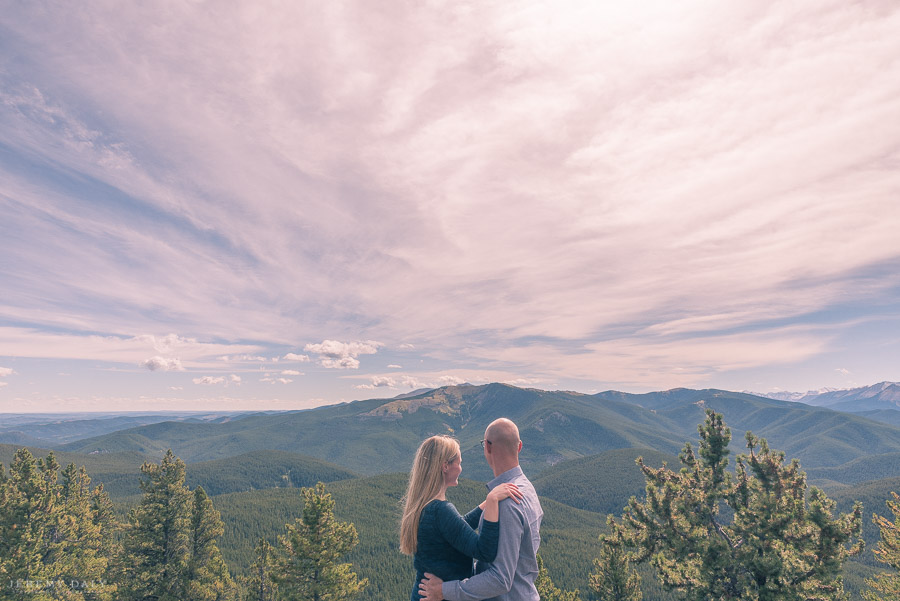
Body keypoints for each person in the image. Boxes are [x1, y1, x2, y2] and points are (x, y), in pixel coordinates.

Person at [419, 418, 543, 601]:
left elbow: (500, 579)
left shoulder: (506, 504)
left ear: (488, 447)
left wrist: (444, 590)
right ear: (519, 447)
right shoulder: (527, 489)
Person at [401, 435, 523, 601]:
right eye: (459, 463)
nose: (460, 468)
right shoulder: (441, 510)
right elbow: (484, 551)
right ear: (445, 466)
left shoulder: (425, 506)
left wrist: (484, 505)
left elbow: (457, 529)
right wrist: (493, 502)